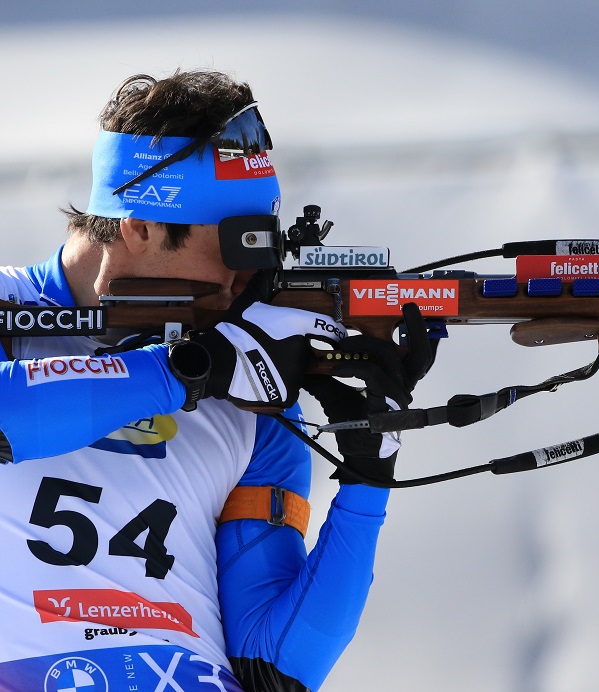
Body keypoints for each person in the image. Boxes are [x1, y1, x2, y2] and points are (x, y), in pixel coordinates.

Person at [0, 69, 431, 691]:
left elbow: (274, 669)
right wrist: (188, 369)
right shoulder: (11, 306)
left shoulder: (251, 388)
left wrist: (369, 478)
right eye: (228, 253)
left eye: (256, 258)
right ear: (139, 226)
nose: (239, 290)